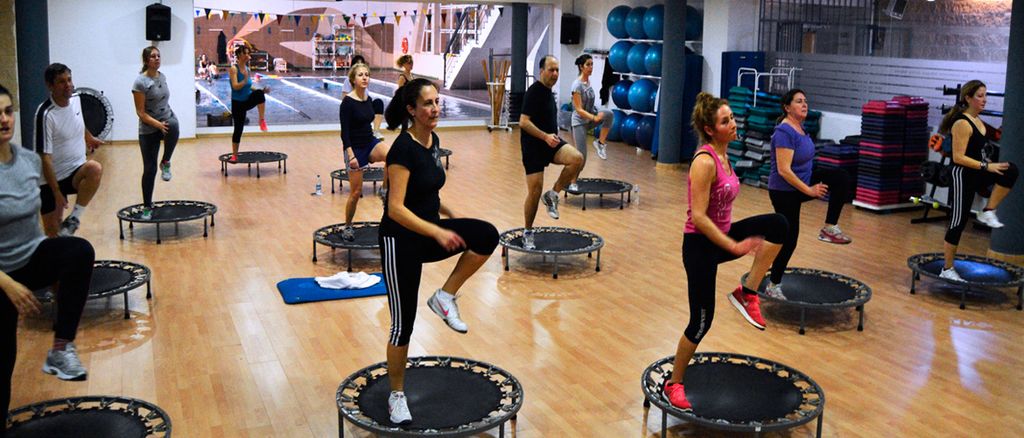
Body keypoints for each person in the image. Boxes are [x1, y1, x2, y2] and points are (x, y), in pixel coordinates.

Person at [379, 78, 499, 424]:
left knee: (486, 235)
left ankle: (445, 296)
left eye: (437, 102)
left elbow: (429, 191)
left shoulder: (433, 140)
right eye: (428, 104)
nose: (435, 109)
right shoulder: (401, 149)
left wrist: (451, 217)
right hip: (399, 241)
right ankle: (397, 396)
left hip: (430, 233)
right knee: (403, 324)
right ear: (411, 111)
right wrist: (437, 229)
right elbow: (396, 209)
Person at [663, 92, 787, 409]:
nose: (733, 124)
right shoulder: (704, 162)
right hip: (701, 246)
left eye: (732, 118)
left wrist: (733, 240)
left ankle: (748, 292)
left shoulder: (725, 155)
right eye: (725, 121)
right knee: (701, 322)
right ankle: (673, 383)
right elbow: (700, 217)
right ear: (709, 129)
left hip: (723, 235)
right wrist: (734, 245)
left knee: (778, 225)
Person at [1, 83, 96, 435]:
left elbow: (35, 214)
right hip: (2, 277)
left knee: (78, 252)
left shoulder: (24, 161)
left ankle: (60, 348)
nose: (4, 119)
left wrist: (57, 205)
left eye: (7, 111)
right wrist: (8, 283)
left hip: (25, 259)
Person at [765, 89, 852, 298]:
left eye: (805, 101)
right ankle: (773, 284)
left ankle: (829, 228)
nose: (804, 104)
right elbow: (784, 170)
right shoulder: (784, 132)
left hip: (801, 183)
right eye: (799, 101)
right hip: (784, 191)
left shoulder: (801, 129)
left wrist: (813, 183)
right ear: (787, 107)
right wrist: (810, 190)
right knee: (789, 239)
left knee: (841, 177)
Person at [937, 80, 1018, 281]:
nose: (984, 100)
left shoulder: (980, 123)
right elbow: (958, 158)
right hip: (962, 175)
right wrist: (986, 166)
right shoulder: (962, 123)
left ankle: (988, 211)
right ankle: (947, 269)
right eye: (980, 96)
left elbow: (977, 153)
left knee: (1010, 171)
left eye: (985, 95)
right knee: (958, 222)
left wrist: (988, 163)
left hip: (977, 171)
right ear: (968, 98)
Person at [32, 63, 105, 237]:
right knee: (54, 234)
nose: (68, 85)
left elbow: (77, 121)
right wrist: (57, 192)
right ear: (50, 86)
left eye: (69, 80)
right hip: (50, 181)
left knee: (94, 168)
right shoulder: (45, 114)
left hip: (75, 172)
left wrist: (88, 137)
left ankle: (74, 218)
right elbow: (45, 158)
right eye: (61, 82)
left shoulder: (76, 99)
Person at [519, 55, 583, 248]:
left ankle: (553, 194)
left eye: (557, 70)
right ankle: (527, 232)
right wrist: (545, 136)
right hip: (533, 147)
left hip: (550, 144)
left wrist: (550, 138)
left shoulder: (549, 92)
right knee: (535, 191)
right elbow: (523, 122)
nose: (554, 74)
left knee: (576, 159)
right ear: (541, 71)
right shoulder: (535, 92)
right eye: (551, 70)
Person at [339, 63, 392, 241]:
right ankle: (347, 226)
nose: (364, 78)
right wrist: (351, 156)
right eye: (360, 75)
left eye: (367, 75)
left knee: (392, 156)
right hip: (354, 148)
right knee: (356, 192)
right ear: (353, 80)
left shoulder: (368, 100)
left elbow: (370, 121)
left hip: (369, 142)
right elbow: (344, 133)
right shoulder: (347, 103)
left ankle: (384, 191)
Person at [133, 46, 179, 221]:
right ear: (146, 60)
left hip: (165, 120)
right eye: (153, 56)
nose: (157, 58)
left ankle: (166, 162)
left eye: (159, 55)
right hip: (148, 128)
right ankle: (147, 206)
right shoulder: (140, 82)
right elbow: (141, 113)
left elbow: (164, 102)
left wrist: (168, 119)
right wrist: (158, 125)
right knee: (149, 169)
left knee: (174, 125)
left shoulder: (162, 77)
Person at [569, 54, 612, 190]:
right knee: (581, 158)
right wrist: (594, 118)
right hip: (579, 123)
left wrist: (597, 113)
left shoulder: (588, 83)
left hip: (590, 117)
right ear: (581, 67)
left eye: (592, 64)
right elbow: (579, 109)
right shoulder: (577, 85)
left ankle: (600, 144)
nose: (591, 67)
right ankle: (573, 182)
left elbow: (591, 106)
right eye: (588, 64)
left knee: (609, 114)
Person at [228, 45, 269, 162]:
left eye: (248, 53)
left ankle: (261, 121)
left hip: (246, 100)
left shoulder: (247, 69)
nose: (247, 55)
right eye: (245, 53)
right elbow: (235, 87)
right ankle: (234, 155)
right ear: (239, 55)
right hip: (237, 104)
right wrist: (245, 80)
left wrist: (261, 91)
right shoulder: (233, 69)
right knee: (238, 129)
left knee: (260, 94)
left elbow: (249, 86)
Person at [351, 54, 385, 138]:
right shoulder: (348, 81)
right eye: (357, 64)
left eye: (362, 64)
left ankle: (376, 131)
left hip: (365, 107)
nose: (360, 66)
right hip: (356, 108)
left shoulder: (364, 81)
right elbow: (345, 99)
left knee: (378, 103)